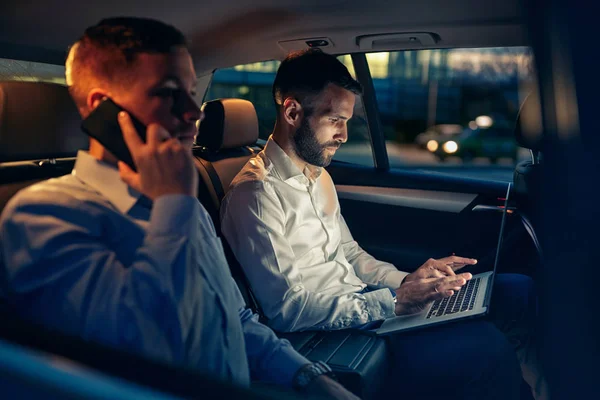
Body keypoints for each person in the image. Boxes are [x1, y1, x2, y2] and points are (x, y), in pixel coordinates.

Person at [0, 18, 360, 400]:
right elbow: (145, 342)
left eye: (192, 92)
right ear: (103, 109)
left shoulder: (185, 207)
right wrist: (172, 205)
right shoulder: (43, 215)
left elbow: (233, 318)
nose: (195, 112)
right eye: (170, 94)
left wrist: (310, 377)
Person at [221, 48, 548, 400]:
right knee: (487, 348)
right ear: (292, 111)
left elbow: (350, 254)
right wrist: (393, 303)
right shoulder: (255, 193)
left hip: (369, 308)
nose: (344, 135)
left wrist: (409, 282)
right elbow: (288, 309)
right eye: (335, 120)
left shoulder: (318, 177)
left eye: (347, 121)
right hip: (339, 332)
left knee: (516, 292)